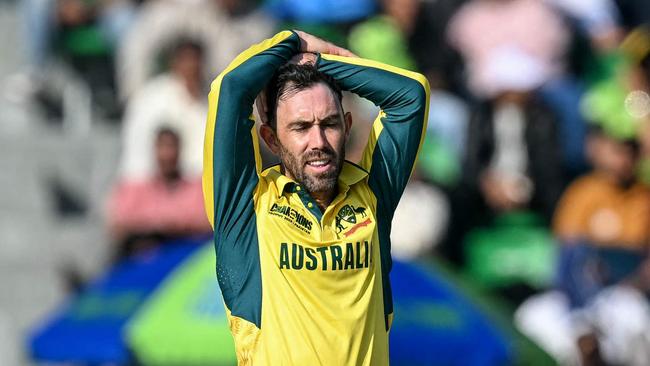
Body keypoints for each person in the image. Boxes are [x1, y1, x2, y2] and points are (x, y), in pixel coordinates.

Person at [202, 30, 429, 364]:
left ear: (347, 127)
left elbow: (411, 94)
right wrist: (294, 41)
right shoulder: (246, 209)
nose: (318, 141)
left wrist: (321, 63)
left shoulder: (372, 195)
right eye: (300, 127)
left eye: (330, 123)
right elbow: (230, 88)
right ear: (271, 138)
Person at [108, 127, 211, 261]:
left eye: (171, 147)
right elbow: (118, 226)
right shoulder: (136, 190)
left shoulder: (196, 189)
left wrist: (168, 226)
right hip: (144, 259)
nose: (167, 154)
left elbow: (206, 224)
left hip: (185, 259)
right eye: (162, 147)